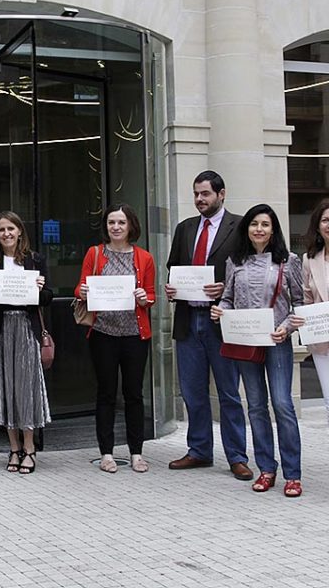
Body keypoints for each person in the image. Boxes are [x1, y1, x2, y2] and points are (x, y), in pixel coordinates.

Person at [212, 204, 304, 497]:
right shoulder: (235, 261)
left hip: (277, 342)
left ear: (273, 229)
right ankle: (266, 468)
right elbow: (227, 298)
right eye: (254, 224)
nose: (259, 229)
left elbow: (299, 304)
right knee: (255, 406)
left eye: (265, 224)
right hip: (245, 342)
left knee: (282, 405)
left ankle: (293, 474)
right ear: (247, 229)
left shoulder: (288, 261)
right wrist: (220, 311)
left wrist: (287, 327)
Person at [164, 171, 251, 479]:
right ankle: (199, 451)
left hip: (222, 322)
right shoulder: (185, 228)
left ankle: (237, 456)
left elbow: (248, 271)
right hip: (189, 320)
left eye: (206, 194)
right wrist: (170, 288)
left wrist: (224, 285)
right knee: (193, 392)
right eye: (197, 194)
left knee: (228, 393)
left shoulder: (240, 227)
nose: (200, 199)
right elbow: (173, 267)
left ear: (221, 194)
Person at [75, 203, 155, 474]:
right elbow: (80, 286)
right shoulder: (95, 253)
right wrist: (83, 291)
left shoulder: (144, 258)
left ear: (131, 225)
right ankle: (106, 453)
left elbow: (152, 294)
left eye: (121, 222)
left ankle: (136, 453)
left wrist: (146, 299)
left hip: (135, 335)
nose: (116, 227)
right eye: (111, 223)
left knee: (134, 394)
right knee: (106, 394)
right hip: (103, 334)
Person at [0, 211, 52, 474]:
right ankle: (13, 448)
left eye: (11, 228)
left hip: (25, 329)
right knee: (6, 389)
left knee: (25, 389)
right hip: (0, 331)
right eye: (1, 230)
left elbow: (48, 298)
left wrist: (42, 288)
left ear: (20, 231)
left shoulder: (35, 260)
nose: (7, 234)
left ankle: (30, 448)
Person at [298, 197, 329, 426]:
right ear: (318, 226)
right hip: (323, 341)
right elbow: (306, 299)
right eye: (326, 220)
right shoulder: (309, 260)